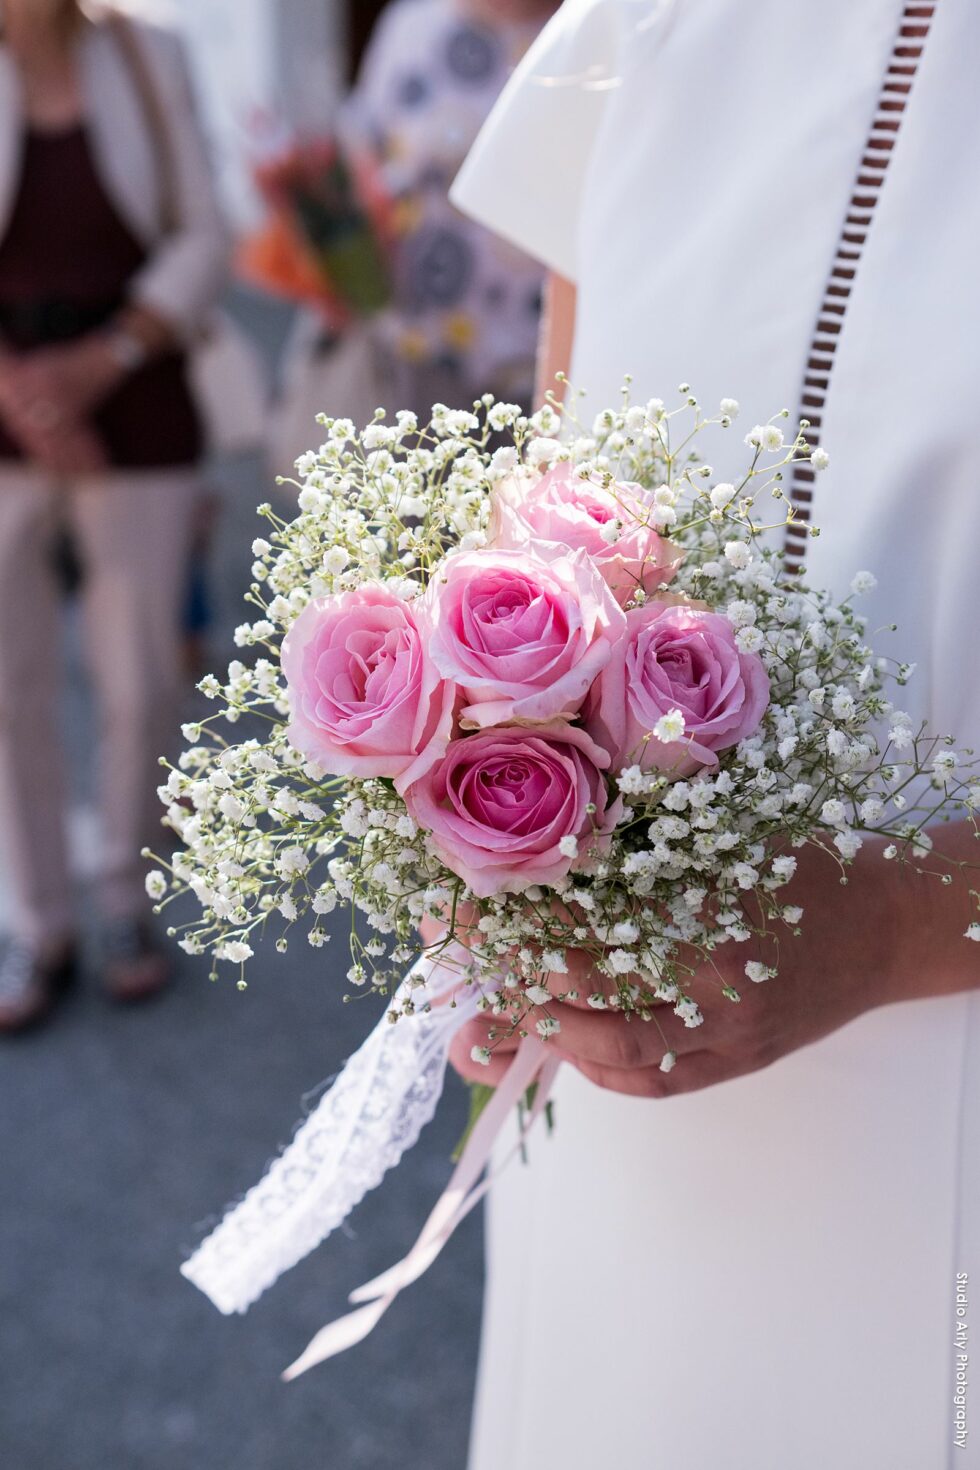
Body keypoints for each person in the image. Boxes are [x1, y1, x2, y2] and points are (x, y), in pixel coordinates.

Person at [449, 1, 980, 1466]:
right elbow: (543, 528)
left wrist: (891, 923)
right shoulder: (652, 21)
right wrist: (472, 857)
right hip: (623, 1150)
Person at [0, 0, 228, 1031]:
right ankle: (34, 920)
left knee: (138, 678)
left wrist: (98, 367)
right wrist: (29, 399)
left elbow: (204, 238)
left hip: (134, 399)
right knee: (8, 688)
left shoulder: (150, 57)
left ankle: (124, 901)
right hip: (7, 404)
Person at [347, 0, 560, 417]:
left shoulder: (602, 30)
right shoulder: (409, 30)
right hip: (422, 362)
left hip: (558, 369)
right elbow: (359, 167)